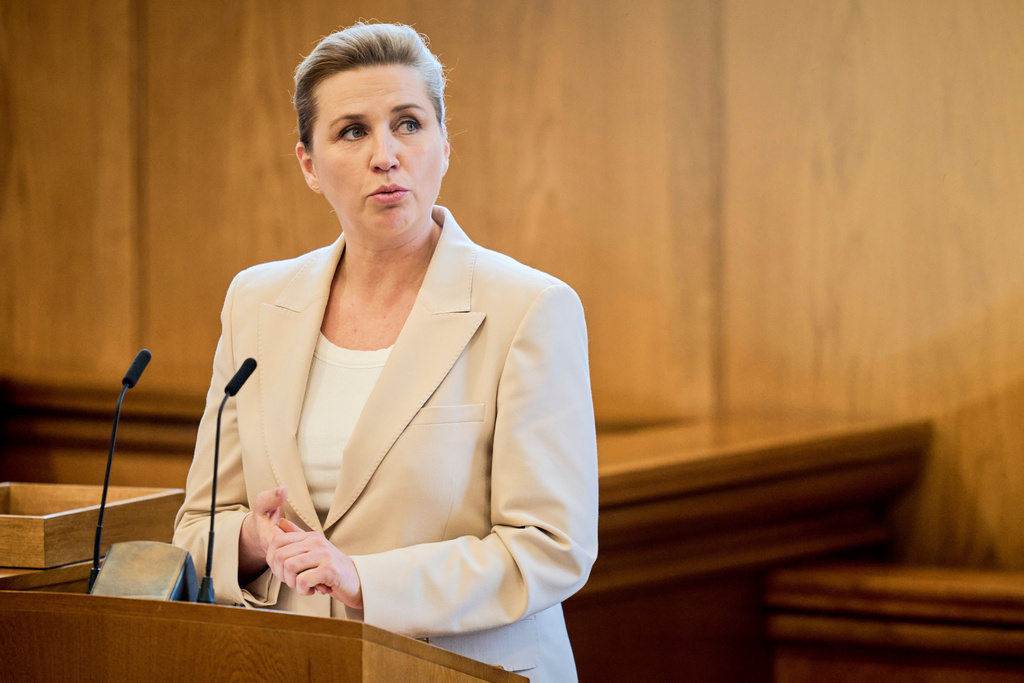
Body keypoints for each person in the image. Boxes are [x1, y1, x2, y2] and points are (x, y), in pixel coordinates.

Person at [173, 22, 598, 682]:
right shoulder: (254, 303)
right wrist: (253, 542)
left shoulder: (529, 308)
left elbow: (549, 547)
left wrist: (362, 577)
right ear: (309, 165)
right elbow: (198, 525)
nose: (387, 154)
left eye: (408, 124)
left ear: (445, 144)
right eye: (352, 131)